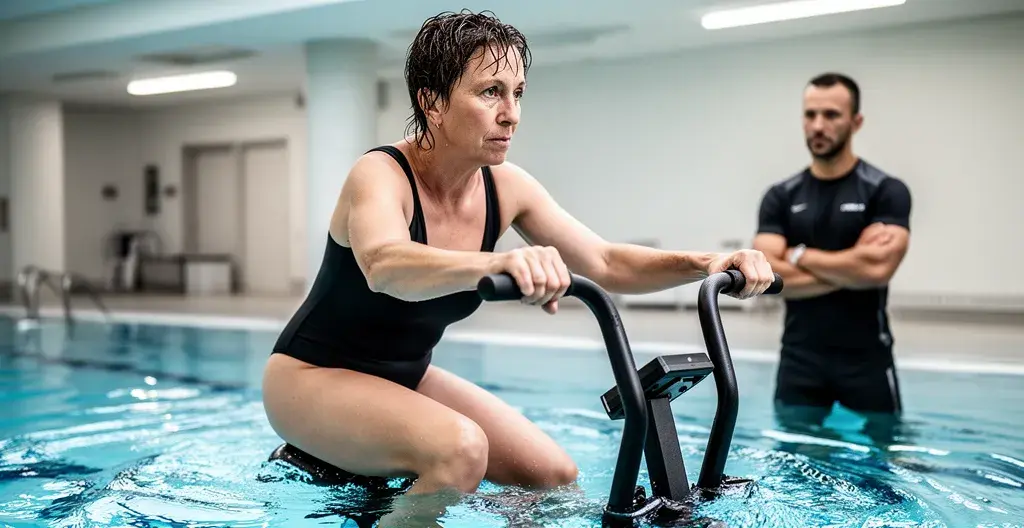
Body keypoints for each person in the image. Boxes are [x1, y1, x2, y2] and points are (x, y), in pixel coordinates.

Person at [262, 10, 775, 525]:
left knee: (552, 475)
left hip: (404, 375)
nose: (512, 114)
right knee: (460, 451)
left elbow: (606, 261)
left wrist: (708, 261)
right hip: (311, 376)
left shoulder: (505, 187)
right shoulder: (380, 174)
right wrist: (500, 259)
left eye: (518, 93)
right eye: (490, 92)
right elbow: (383, 264)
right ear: (432, 102)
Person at [753, 73, 912, 435]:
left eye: (831, 115)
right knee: (794, 470)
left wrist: (796, 255)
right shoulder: (781, 196)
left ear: (856, 121)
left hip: (867, 361)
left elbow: (877, 269)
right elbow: (767, 278)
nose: (818, 125)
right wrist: (851, 263)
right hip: (799, 360)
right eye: (810, 115)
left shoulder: (885, 191)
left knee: (886, 466)